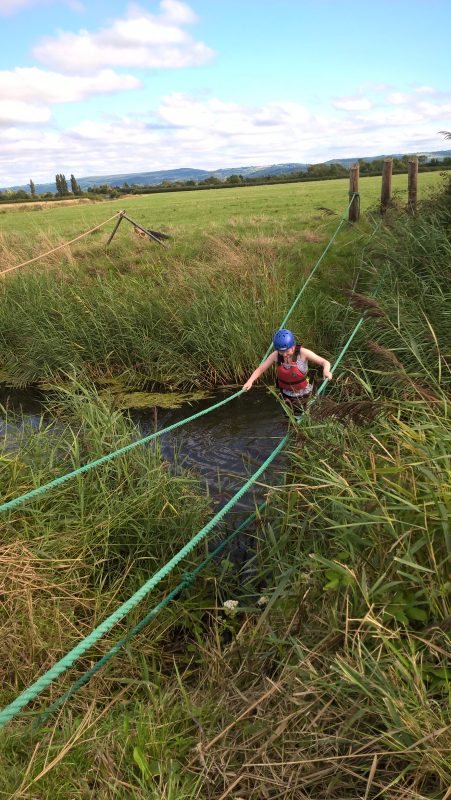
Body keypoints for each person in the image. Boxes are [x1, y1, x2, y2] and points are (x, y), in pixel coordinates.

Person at [243, 328, 333, 404]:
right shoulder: (276, 355)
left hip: (305, 393)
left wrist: (326, 371)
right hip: (286, 394)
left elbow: (325, 362)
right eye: (281, 352)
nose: (285, 354)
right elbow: (260, 369)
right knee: (290, 418)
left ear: (293, 346)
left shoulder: (303, 353)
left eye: (287, 351)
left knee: (304, 418)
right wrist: (250, 381)